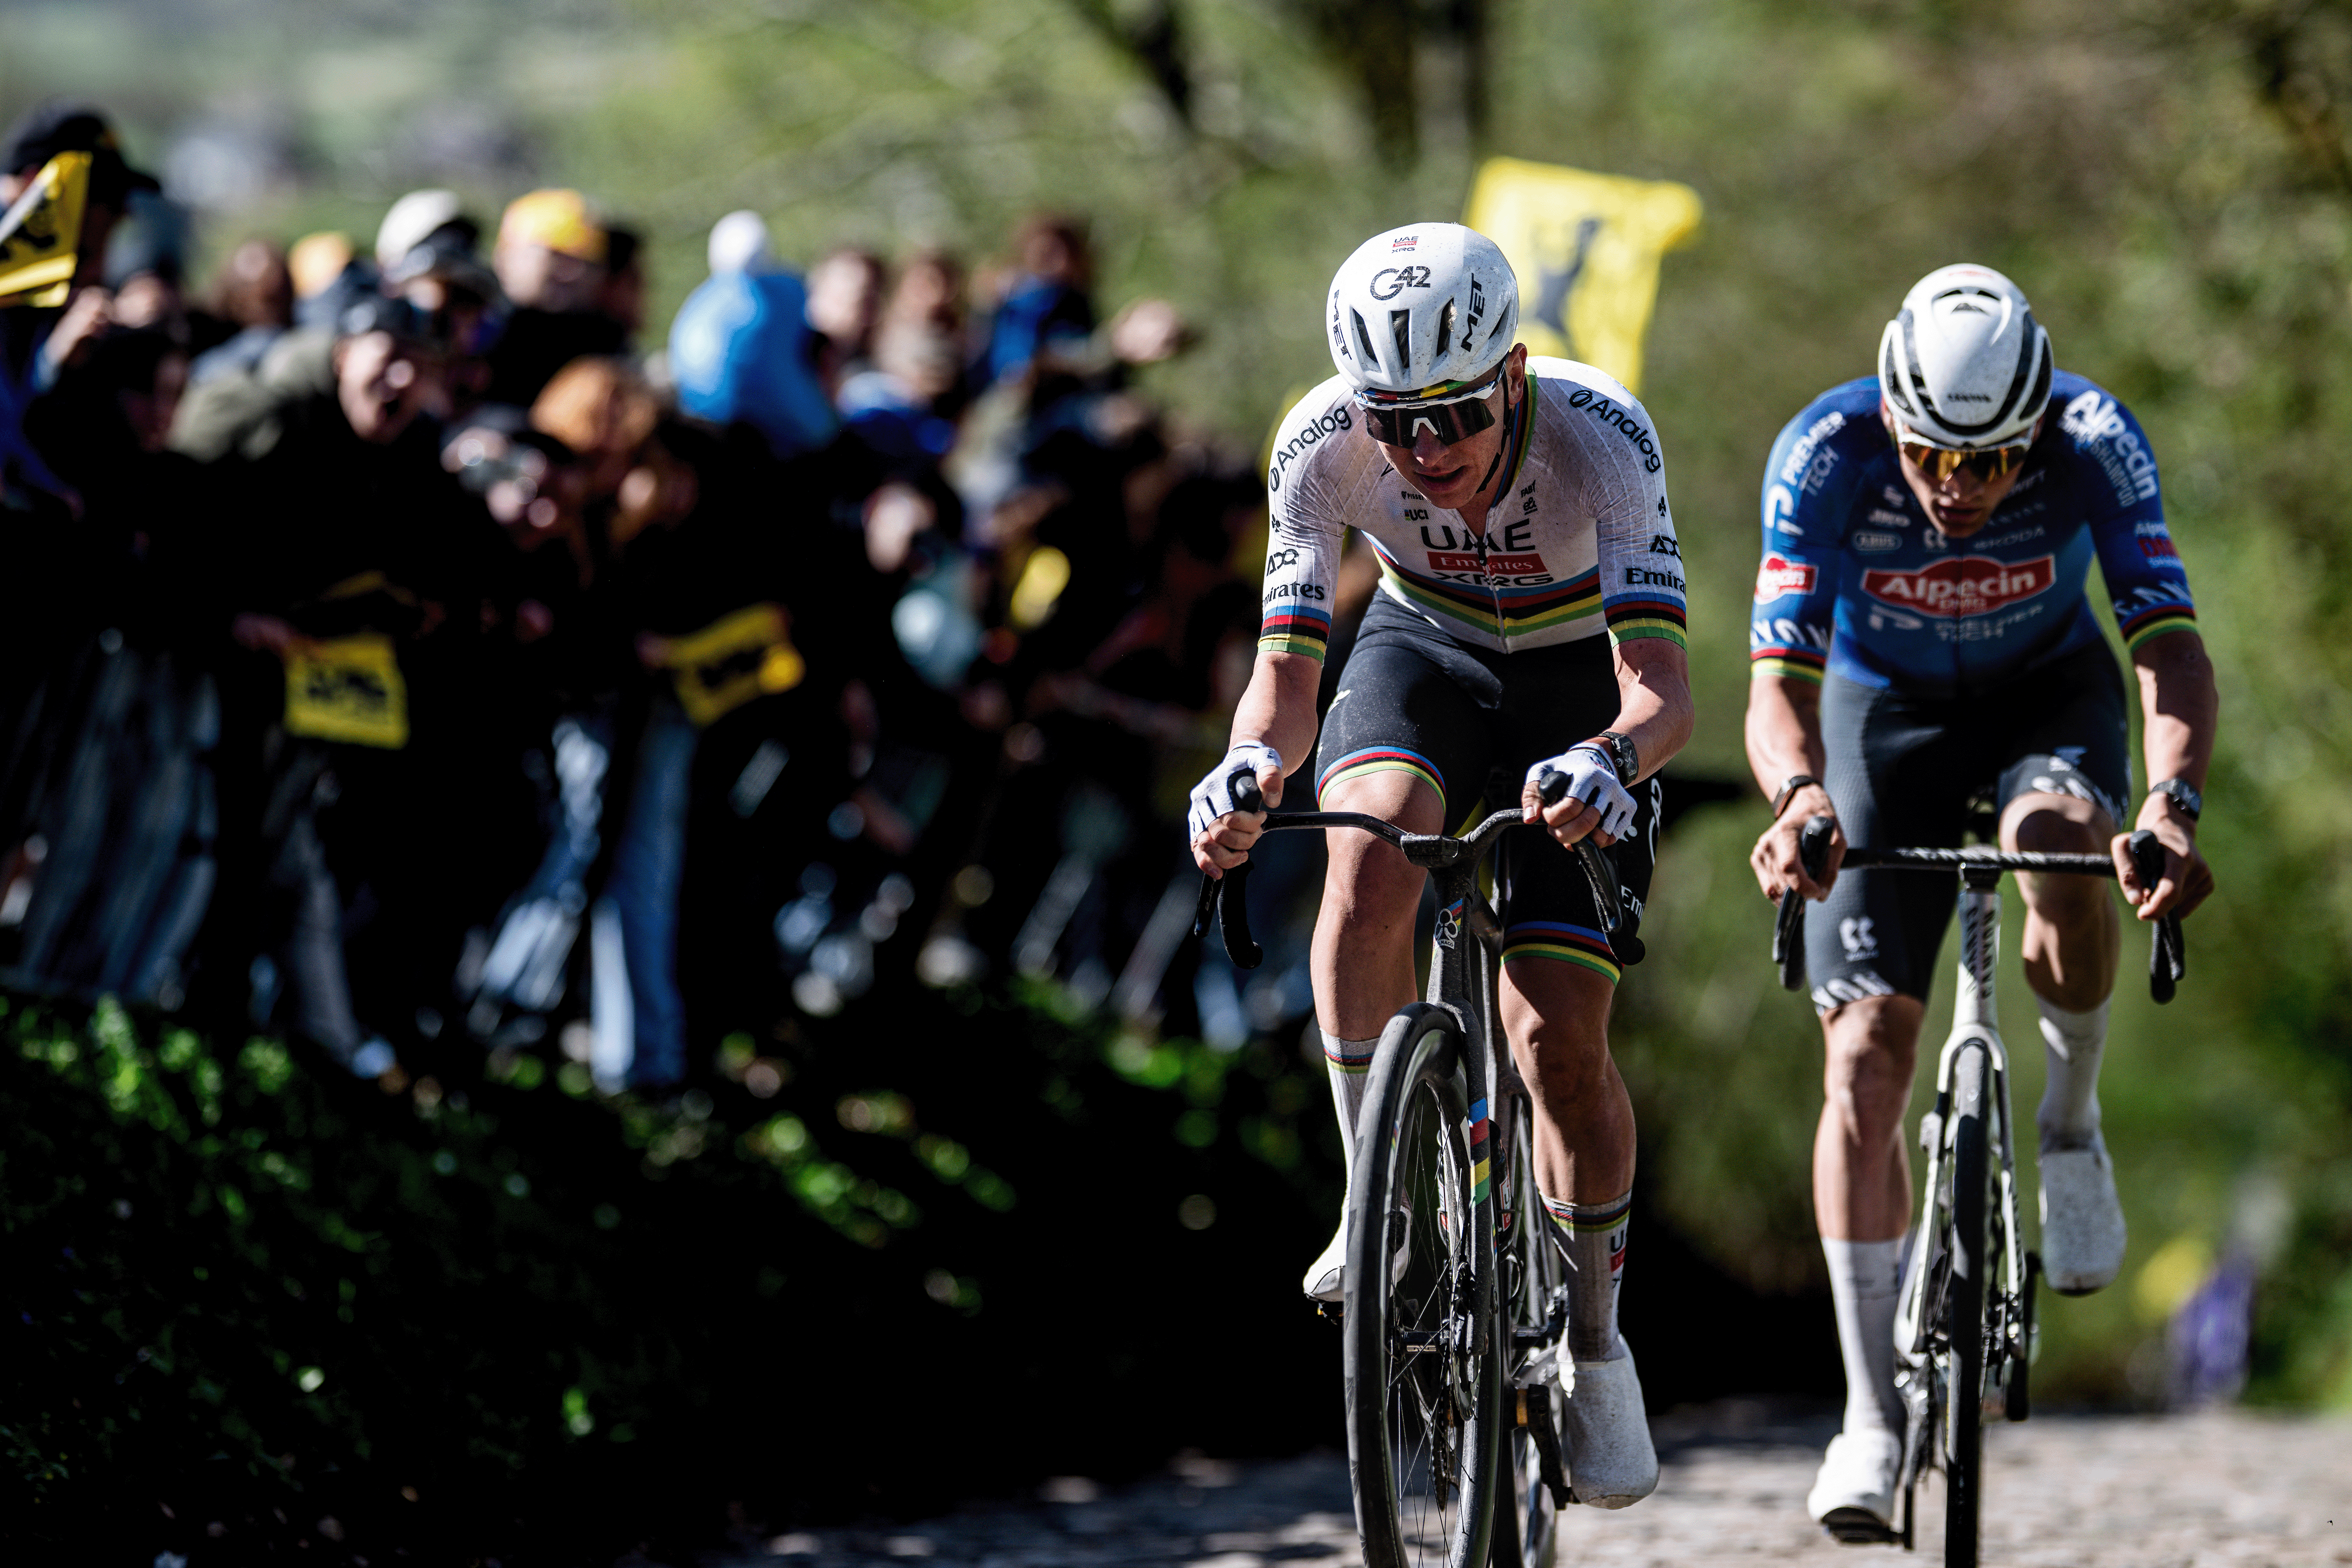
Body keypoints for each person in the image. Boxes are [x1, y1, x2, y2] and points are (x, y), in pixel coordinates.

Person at [1188, 222, 1693, 1508]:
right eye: (1393, 423)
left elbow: (1662, 696)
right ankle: (1375, 1199)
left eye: (1454, 416)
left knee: (1557, 1045)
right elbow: (1286, 684)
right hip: (1431, 650)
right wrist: (1245, 772)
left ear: (1514, 375)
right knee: (1364, 857)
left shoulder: (1604, 436)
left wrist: (1611, 765)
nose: (1425, 452)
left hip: (1583, 676)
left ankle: (1594, 1343)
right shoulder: (1315, 445)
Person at [1743, 263, 2216, 1537]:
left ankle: (2066, 1119)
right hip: (1879, 713)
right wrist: (1798, 801)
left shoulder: (2096, 439)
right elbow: (1776, 682)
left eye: (1993, 463)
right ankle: (1869, 1416)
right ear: (1888, 418)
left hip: (2045, 699)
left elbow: (2167, 646)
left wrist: (2170, 808)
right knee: (1864, 1062)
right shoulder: (1827, 450)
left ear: (2038, 428)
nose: (1958, 491)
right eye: (1931, 461)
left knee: (2065, 838)